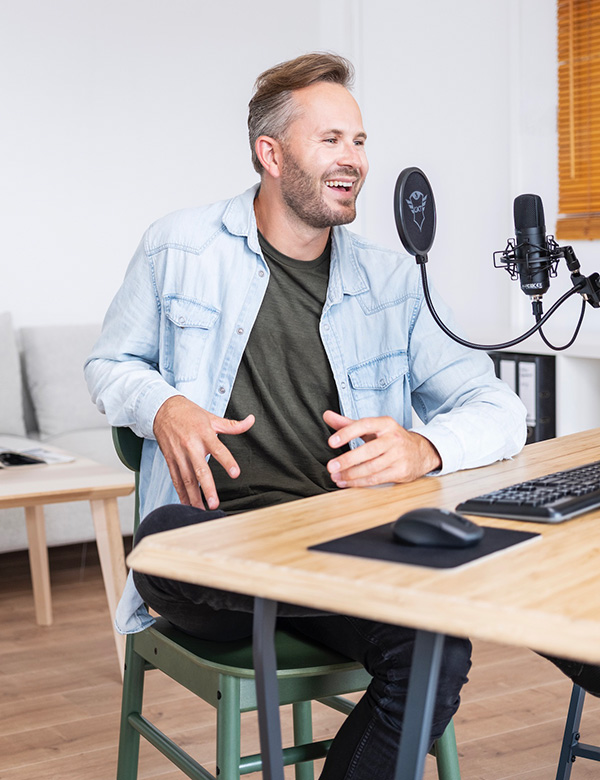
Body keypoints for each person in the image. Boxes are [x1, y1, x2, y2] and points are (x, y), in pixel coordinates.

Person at [85, 53, 530, 779]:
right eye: (330, 140)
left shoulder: (390, 281)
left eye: (358, 141)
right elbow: (108, 367)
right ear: (271, 153)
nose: (352, 159)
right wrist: (162, 404)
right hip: (214, 553)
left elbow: (499, 409)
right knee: (163, 541)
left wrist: (425, 447)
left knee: (438, 650)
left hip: (338, 554)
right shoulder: (181, 248)